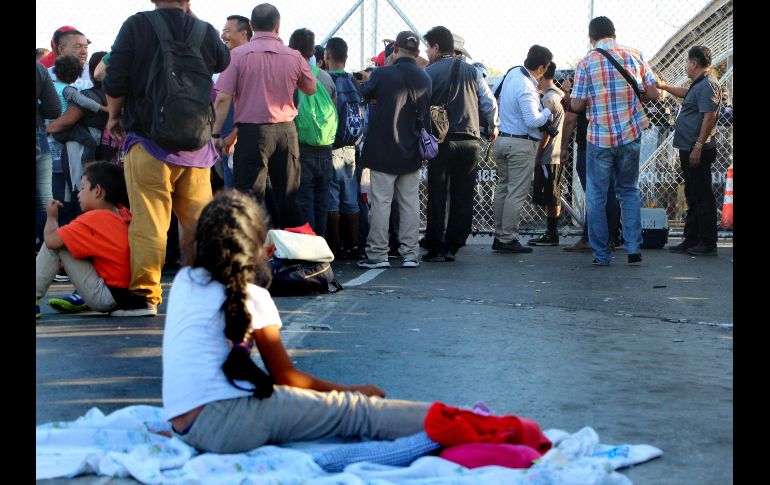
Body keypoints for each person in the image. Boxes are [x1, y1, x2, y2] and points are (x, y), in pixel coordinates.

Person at [162, 190, 430, 453]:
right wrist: (352, 392)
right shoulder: (253, 296)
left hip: (185, 427)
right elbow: (286, 378)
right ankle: (454, 418)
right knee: (357, 413)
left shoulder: (184, 281)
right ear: (261, 250)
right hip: (230, 425)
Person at [104, 0, 230, 316]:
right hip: (197, 146)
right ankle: (211, 289)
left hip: (149, 141)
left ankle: (146, 295)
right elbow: (223, 59)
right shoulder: (204, 30)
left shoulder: (137, 25)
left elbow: (115, 78)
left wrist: (114, 116)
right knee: (200, 224)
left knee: (150, 220)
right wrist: (192, 16)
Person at [212, 3, 316, 229]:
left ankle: (248, 248)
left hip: (252, 134)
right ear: (278, 26)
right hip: (286, 131)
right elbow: (310, 88)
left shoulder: (236, 56)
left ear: (251, 25)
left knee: (248, 201)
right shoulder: (294, 56)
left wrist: (216, 134)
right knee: (288, 197)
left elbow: (222, 99)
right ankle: (294, 246)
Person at [570, 16, 659, 266]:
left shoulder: (586, 63)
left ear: (591, 38)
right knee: (629, 190)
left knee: (597, 196)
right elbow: (654, 93)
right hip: (630, 133)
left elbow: (577, 104)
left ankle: (601, 254)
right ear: (614, 33)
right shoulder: (635, 55)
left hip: (600, 137)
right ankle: (633, 247)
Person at [422, 26, 498, 262]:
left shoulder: (428, 72)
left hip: (441, 140)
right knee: (463, 194)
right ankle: (453, 245)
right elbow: (488, 102)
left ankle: (435, 245)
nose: (427, 53)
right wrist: (493, 125)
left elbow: (420, 105)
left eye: (428, 48)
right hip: (469, 139)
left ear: (436, 47)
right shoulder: (473, 72)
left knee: (437, 193)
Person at [356, 31, 431, 269]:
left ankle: (378, 254)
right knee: (410, 203)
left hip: (382, 150)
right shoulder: (425, 77)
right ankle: (410, 253)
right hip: (411, 150)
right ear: (417, 53)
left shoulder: (382, 74)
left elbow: (364, 92)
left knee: (381, 203)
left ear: (395, 49)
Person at [36, 162, 131, 319]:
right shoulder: (123, 213)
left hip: (105, 296)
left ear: (97, 191)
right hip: (127, 294)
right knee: (70, 242)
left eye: (82, 188)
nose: (78, 194)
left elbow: (51, 241)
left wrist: (52, 217)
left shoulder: (93, 219)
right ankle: (82, 297)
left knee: (56, 245)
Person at [657, 46, 720, 257]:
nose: (685, 66)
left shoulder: (708, 84)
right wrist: (665, 87)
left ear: (693, 63)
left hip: (697, 149)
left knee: (702, 196)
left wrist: (698, 146)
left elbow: (709, 117)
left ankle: (707, 242)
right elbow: (688, 95)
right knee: (692, 195)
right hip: (689, 147)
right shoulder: (699, 84)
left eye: (686, 62)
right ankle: (692, 239)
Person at [491, 45, 554, 254]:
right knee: (516, 192)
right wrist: (547, 110)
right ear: (541, 68)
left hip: (502, 139)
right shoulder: (527, 86)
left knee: (503, 188)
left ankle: (499, 235)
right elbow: (532, 120)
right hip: (521, 143)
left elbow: (494, 95)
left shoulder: (511, 74)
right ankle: (508, 238)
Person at [290, 28, 337, 237]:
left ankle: (310, 248)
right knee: (322, 202)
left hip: (302, 148)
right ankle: (322, 245)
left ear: (291, 48)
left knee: (305, 201)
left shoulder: (292, 76)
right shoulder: (326, 78)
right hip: (326, 148)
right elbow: (334, 111)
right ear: (313, 52)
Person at [527, 61, 565, 246]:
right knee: (552, 193)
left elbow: (547, 132)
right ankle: (552, 232)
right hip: (555, 154)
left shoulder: (548, 98)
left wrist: (537, 155)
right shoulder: (557, 94)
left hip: (548, 154)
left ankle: (552, 234)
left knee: (551, 196)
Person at [37, 62, 62, 252]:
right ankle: (50, 253)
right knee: (44, 197)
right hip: (38, 134)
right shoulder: (39, 69)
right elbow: (54, 109)